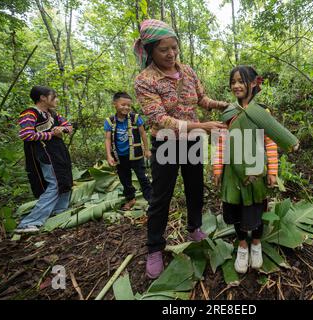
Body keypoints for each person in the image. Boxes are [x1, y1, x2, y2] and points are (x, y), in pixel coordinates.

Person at [134, 19, 229, 279]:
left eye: (174, 48)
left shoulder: (187, 71)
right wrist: (203, 125)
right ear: (150, 50)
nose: (171, 54)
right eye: (164, 50)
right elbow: (160, 119)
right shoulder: (145, 80)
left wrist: (225, 106)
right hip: (166, 141)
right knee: (161, 195)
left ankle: (195, 226)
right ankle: (154, 247)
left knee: (195, 186)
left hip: (192, 140)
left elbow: (202, 99)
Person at [213, 65, 299, 273]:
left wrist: (272, 171)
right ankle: (242, 246)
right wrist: (217, 168)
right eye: (233, 82)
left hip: (256, 172)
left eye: (241, 81)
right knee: (235, 209)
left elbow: (270, 144)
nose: (236, 85)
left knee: (256, 208)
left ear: (253, 84)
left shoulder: (262, 113)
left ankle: (256, 244)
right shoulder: (228, 114)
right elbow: (220, 142)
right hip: (232, 174)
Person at [15, 86, 73, 233]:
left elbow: (69, 126)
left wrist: (62, 129)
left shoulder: (53, 113)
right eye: (54, 97)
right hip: (45, 153)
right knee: (54, 183)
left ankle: (59, 211)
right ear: (42, 98)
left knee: (65, 180)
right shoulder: (29, 113)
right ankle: (30, 222)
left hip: (59, 152)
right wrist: (51, 134)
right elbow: (26, 135)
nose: (57, 100)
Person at [104, 92, 152, 209]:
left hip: (136, 156)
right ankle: (131, 199)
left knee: (142, 178)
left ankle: (152, 200)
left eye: (128, 105)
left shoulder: (135, 118)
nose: (126, 107)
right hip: (120, 157)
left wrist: (147, 150)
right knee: (125, 180)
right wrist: (109, 156)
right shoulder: (110, 121)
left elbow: (143, 134)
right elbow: (107, 139)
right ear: (115, 104)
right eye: (123, 104)